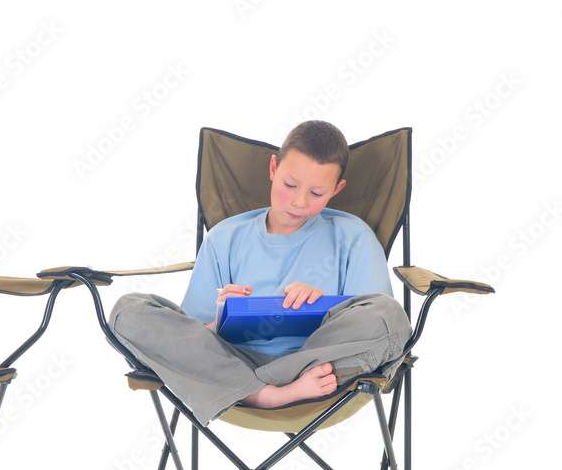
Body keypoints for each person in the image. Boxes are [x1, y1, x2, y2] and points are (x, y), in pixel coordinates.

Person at [108, 120, 411, 425]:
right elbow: (190, 338)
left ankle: (255, 386)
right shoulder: (225, 237)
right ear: (273, 169)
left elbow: (376, 320)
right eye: (289, 185)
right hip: (234, 361)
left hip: (319, 367)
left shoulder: (354, 236)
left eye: (317, 193)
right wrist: (220, 320)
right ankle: (263, 393)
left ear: (337, 189)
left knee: (389, 315)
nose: (299, 202)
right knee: (127, 312)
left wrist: (329, 307)